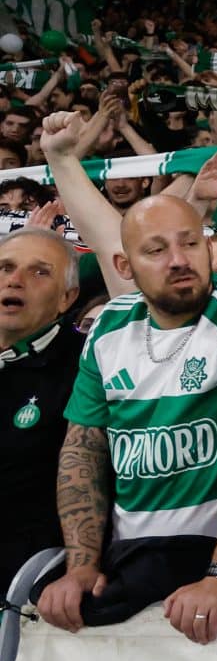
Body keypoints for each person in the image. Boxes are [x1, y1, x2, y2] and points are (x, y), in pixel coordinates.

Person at [37, 195, 217, 642]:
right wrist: (82, 565)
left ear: (208, 248)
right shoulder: (109, 327)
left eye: (189, 244)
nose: (178, 261)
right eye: (155, 250)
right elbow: (82, 452)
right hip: (129, 555)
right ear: (124, 265)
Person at [0, 228, 83, 588]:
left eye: (39, 272)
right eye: (5, 267)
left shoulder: (86, 362)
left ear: (67, 298)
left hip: (31, 581)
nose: (15, 281)